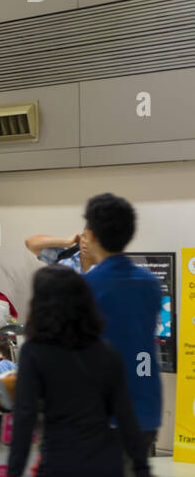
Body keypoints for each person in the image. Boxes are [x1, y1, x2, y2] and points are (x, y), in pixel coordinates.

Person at [4, 265, 156, 477]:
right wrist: (142, 470)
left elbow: (25, 416)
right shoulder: (106, 352)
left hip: (59, 471)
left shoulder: (35, 353)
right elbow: (125, 415)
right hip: (106, 476)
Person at [79, 193, 163, 456]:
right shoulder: (150, 283)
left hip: (104, 412)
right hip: (146, 409)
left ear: (90, 234)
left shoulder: (86, 286)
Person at [24, 232, 93, 273]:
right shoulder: (67, 254)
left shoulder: (102, 266)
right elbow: (31, 243)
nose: (86, 242)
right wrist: (67, 242)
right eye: (85, 236)